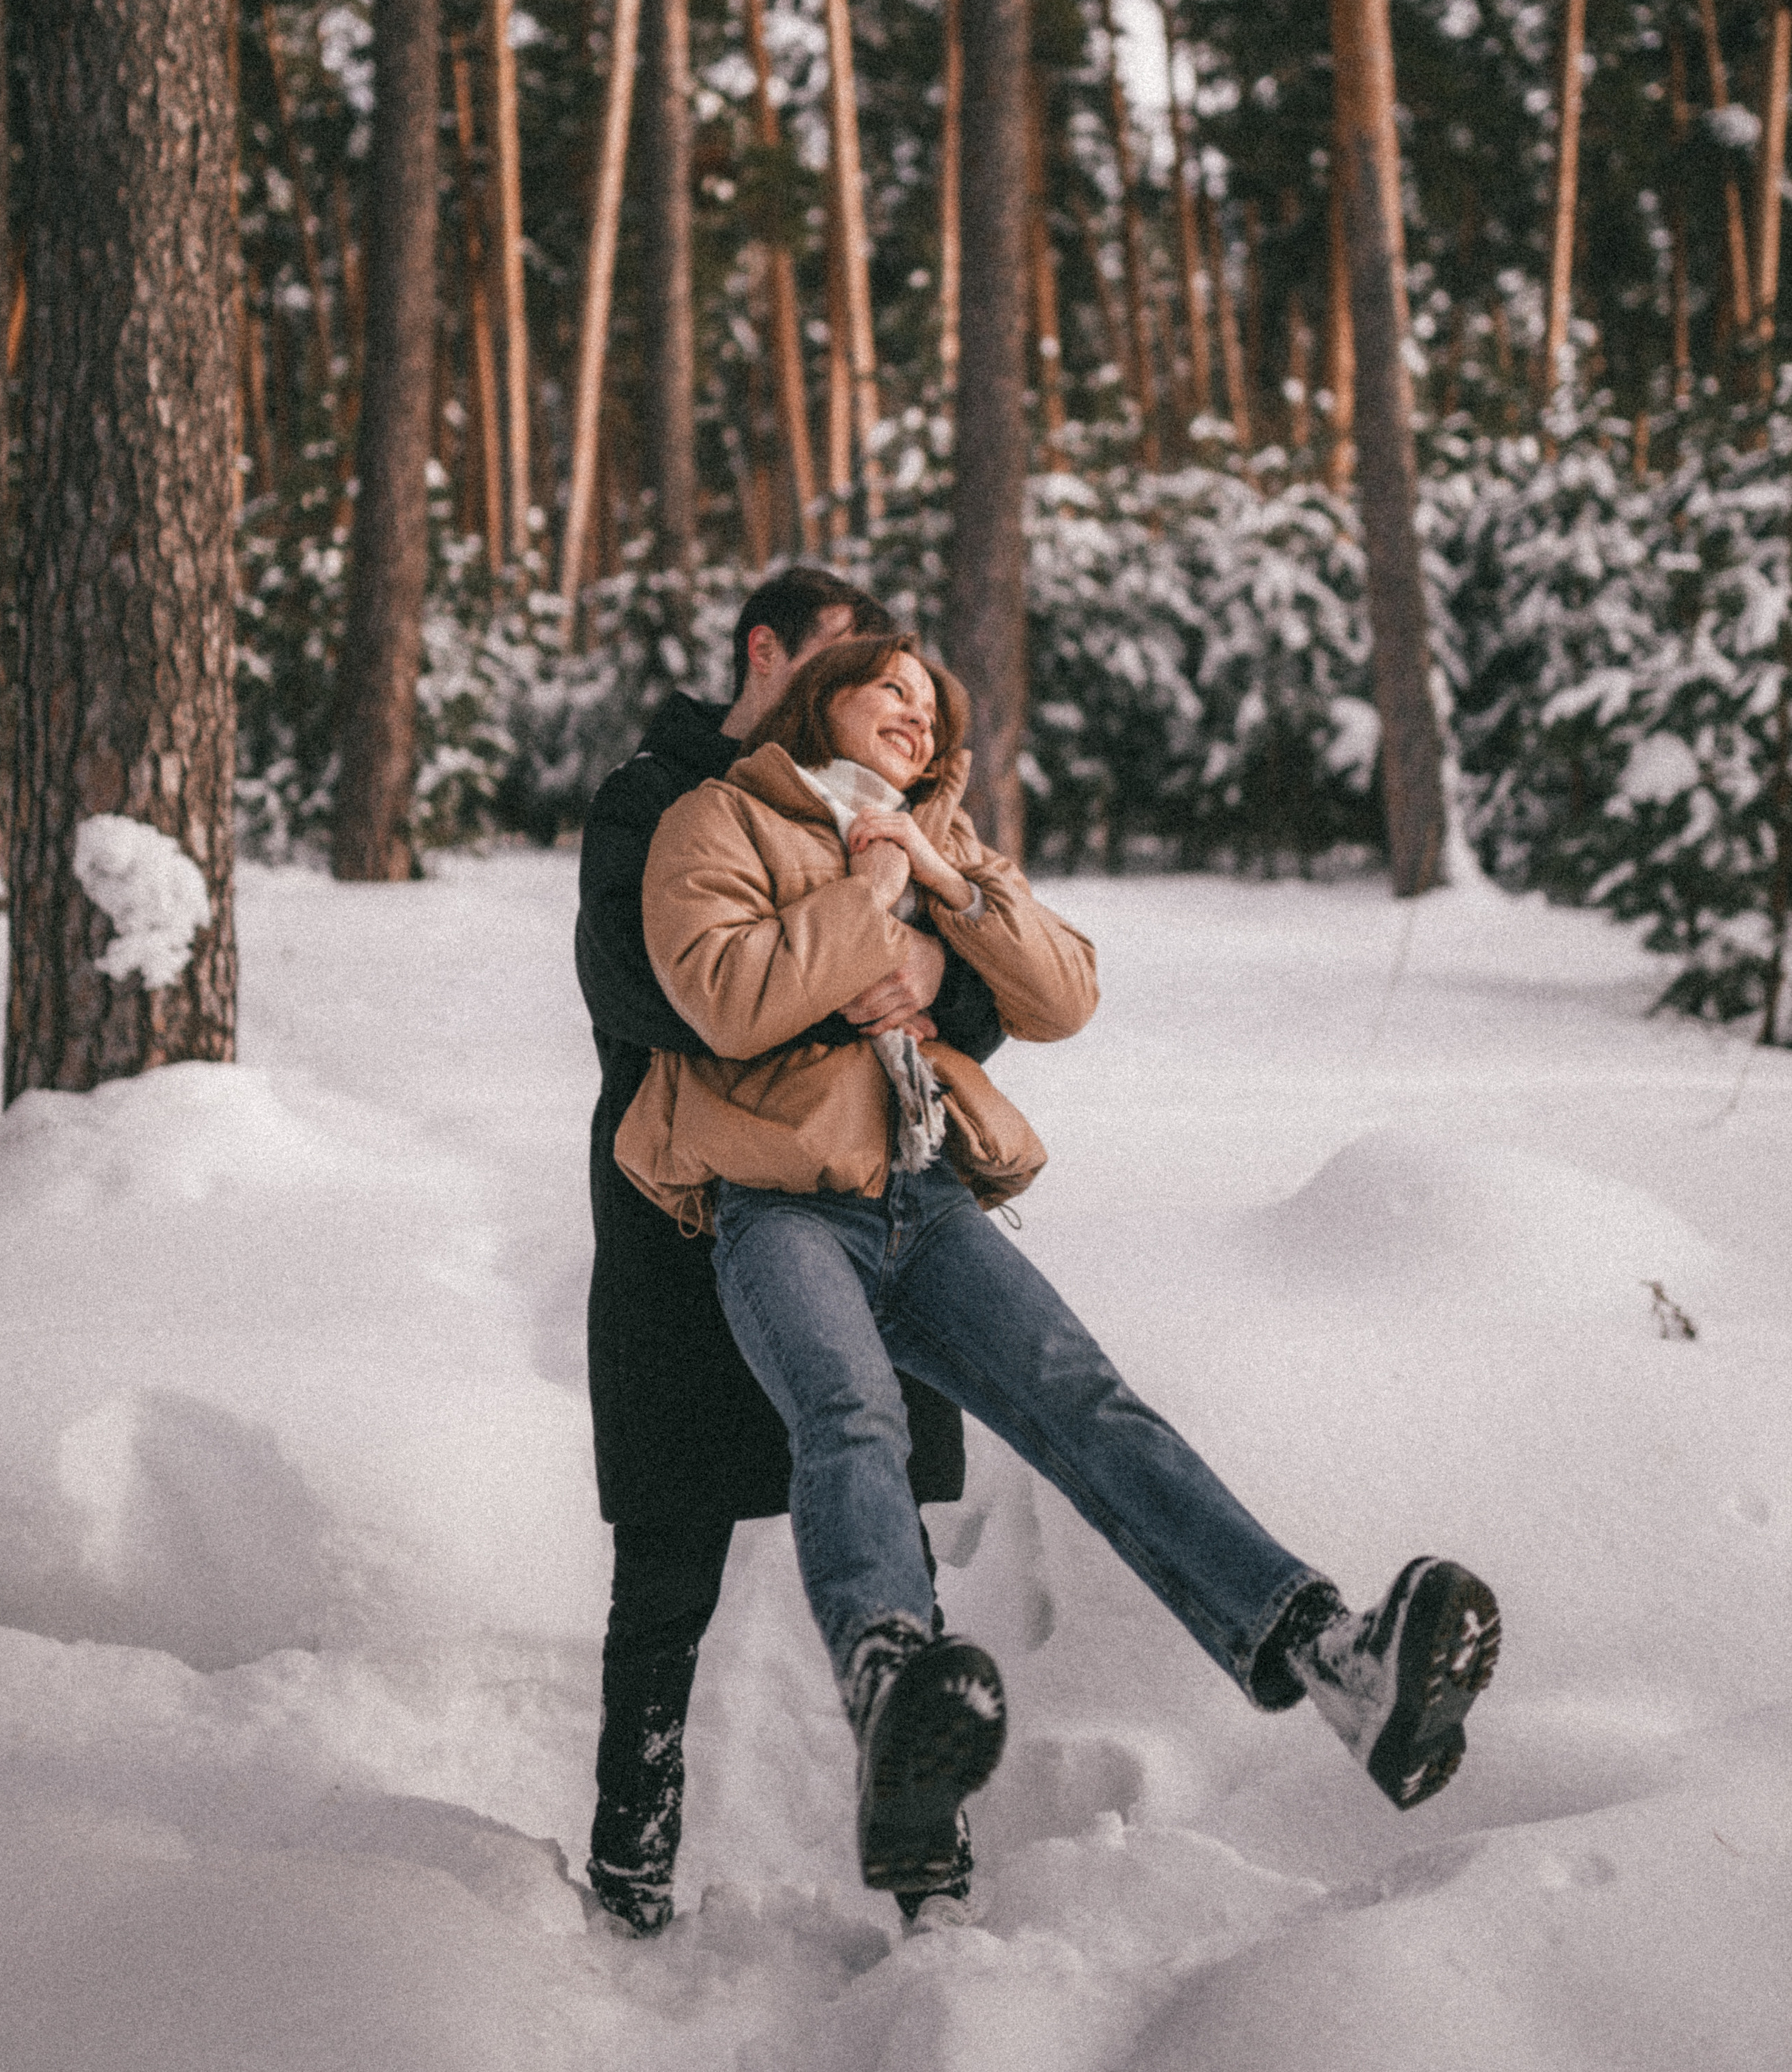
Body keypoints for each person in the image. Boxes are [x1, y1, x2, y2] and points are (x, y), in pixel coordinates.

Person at [619, 631, 1502, 1903]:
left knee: (1091, 1406)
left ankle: (1337, 1660)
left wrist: (941, 893)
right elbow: (724, 998)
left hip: (925, 1195)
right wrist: (872, 902)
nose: (918, 720)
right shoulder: (720, 819)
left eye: (934, 711)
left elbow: (1066, 993)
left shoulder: (941, 840)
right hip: (781, 1201)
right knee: (850, 1417)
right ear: (821, 700)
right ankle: (890, 1687)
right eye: (891, 691)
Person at [573, 568, 1006, 1935]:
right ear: (763, 654)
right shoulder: (655, 800)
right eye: (836, 667)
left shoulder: (878, 806)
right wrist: (843, 977)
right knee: (667, 1569)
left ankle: (933, 1871)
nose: (862, 701)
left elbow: (980, 999)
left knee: (888, 1532)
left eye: (881, 678)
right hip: (680, 1216)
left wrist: (933, 977)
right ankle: (630, 1869)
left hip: (860, 1198)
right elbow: (647, 990)